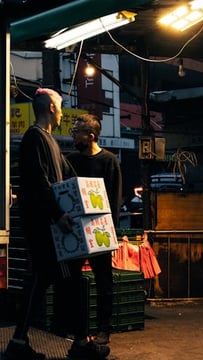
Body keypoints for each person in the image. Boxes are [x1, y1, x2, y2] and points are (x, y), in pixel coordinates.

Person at [5, 89, 110, 360]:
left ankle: (21, 342)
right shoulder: (35, 139)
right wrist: (58, 215)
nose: (63, 113)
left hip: (49, 225)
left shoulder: (48, 141)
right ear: (51, 108)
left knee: (45, 281)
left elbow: (68, 175)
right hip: (47, 228)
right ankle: (78, 343)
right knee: (65, 280)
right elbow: (39, 182)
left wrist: (90, 199)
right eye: (61, 107)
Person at [58, 113, 122, 350]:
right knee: (72, 280)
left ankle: (104, 329)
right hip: (74, 229)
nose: (73, 136)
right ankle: (78, 329)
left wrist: (111, 231)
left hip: (100, 230)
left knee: (104, 281)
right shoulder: (70, 160)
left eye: (77, 132)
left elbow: (115, 197)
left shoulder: (109, 161)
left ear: (91, 136)